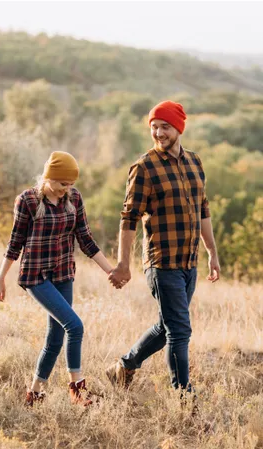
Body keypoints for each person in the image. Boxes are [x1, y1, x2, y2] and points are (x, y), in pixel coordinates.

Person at [106, 100, 220, 394]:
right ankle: (184, 399)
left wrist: (212, 252)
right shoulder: (144, 167)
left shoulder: (195, 162)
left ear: (179, 128)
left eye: (164, 126)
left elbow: (202, 209)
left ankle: (124, 367)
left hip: (188, 262)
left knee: (166, 326)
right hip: (161, 262)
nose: (158, 133)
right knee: (180, 331)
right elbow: (129, 217)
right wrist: (123, 264)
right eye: (154, 127)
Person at [0, 151, 113, 407]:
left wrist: (110, 271)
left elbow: (86, 239)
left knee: (55, 338)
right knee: (75, 326)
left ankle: (34, 394)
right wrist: (0, 278)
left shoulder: (74, 198)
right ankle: (77, 390)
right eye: (62, 184)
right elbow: (15, 243)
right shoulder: (27, 201)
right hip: (35, 276)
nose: (66, 189)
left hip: (62, 273)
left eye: (70, 184)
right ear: (48, 178)